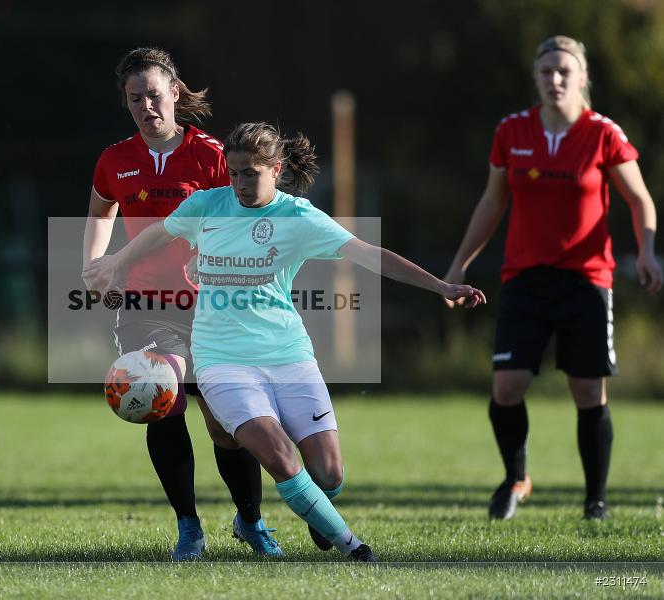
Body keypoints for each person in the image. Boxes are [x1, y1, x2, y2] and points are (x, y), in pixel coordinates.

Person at [84, 121, 486, 561]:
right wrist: (115, 263)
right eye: (233, 172)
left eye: (249, 173)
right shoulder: (207, 205)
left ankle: (317, 510)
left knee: (329, 474)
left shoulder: (297, 216)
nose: (238, 183)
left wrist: (442, 288)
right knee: (276, 454)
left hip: (288, 354)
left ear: (276, 169)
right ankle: (351, 546)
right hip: (222, 361)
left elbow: (372, 256)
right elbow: (158, 234)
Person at [443, 35, 662, 521]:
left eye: (565, 71)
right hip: (524, 278)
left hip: (586, 280)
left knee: (587, 391)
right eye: (546, 72)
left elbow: (640, 200)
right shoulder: (512, 131)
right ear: (536, 78)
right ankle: (515, 477)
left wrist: (647, 250)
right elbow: (491, 203)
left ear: (582, 77)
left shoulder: (603, 133)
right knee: (507, 386)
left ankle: (596, 499)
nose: (555, 79)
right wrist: (460, 263)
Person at [81, 48, 279, 560]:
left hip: (212, 305)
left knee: (224, 420)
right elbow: (101, 209)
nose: (146, 105)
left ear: (174, 91)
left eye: (153, 94)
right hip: (146, 304)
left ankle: (251, 521)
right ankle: (189, 527)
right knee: (161, 400)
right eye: (134, 98)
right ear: (125, 104)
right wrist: (96, 263)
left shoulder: (212, 156)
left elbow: (241, 224)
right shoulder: (115, 160)